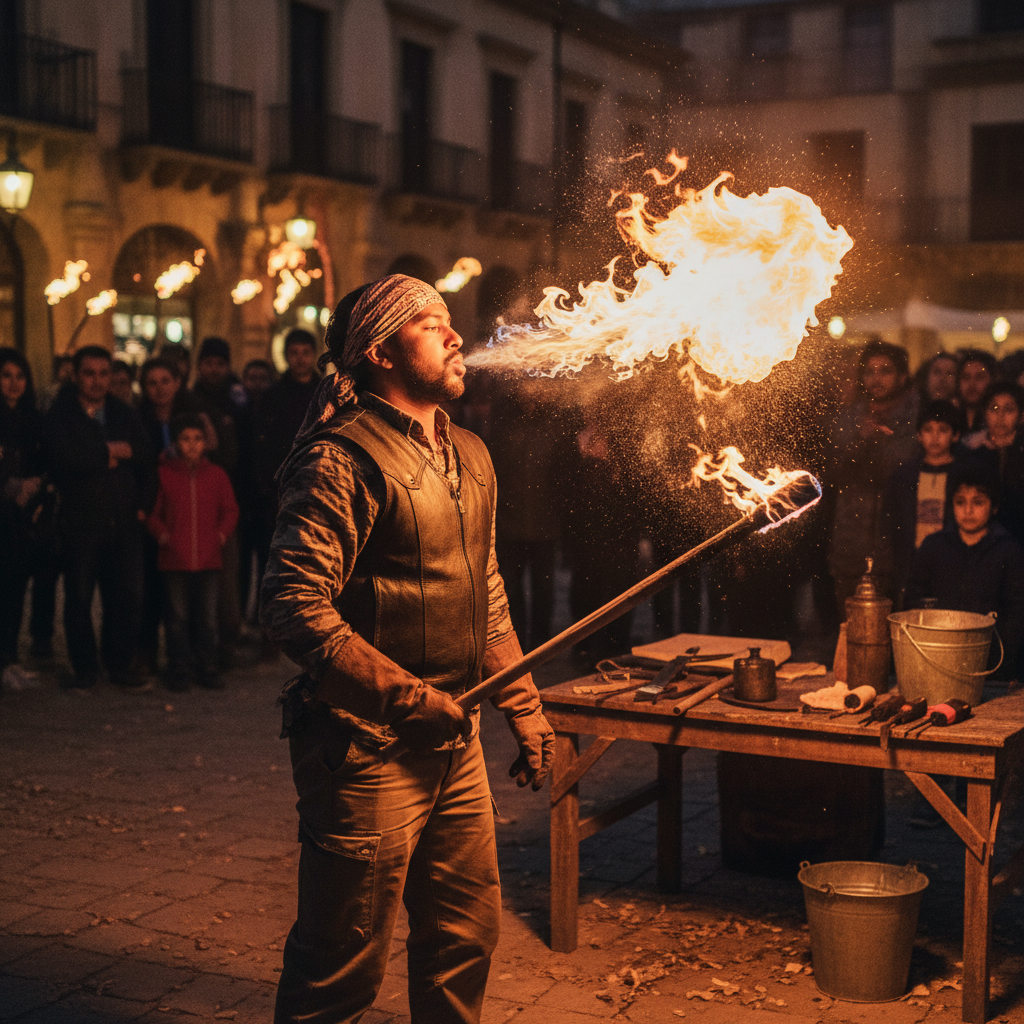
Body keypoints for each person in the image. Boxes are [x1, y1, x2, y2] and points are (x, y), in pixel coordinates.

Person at [261, 274, 554, 1024]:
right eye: (431, 323)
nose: (456, 336)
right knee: (341, 966)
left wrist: (524, 709)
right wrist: (407, 699)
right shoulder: (341, 460)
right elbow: (293, 605)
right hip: (365, 750)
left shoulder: (473, 454)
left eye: (450, 321)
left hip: (454, 748)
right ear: (380, 351)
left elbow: (483, 591)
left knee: (465, 937)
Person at [44, 345, 154, 690]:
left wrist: (142, 509)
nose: (97, 381)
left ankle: (119, 665)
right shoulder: (61, 414)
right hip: (80, 524)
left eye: (103, 373)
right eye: (89, 373)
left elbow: (145, 455)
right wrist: (107, 451)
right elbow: (61, 459)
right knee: (78, 598)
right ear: (76, 375)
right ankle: (85, 669)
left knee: (126, 597)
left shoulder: (123, 412)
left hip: (124, 522)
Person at [905, 463, 1024, 682]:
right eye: (961, 502)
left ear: (994, 507)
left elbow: (1017, 612)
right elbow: (914, 600)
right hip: (937, 658)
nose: (968, 511)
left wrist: (1002, 659)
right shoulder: (934, 546)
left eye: (978, 502)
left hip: (991, 665)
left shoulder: (1008, 550)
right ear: (952, 505)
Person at [148, 414, 239, 691]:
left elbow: (230, 510)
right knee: (177, 618)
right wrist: (165, 537)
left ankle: (207, 667)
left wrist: (220, 536)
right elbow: (153, 514)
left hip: (208, 559)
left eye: (197, 439)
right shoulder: (164, 474)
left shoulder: (217, 475)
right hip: (175, 559)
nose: (192, 445)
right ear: (175, 443)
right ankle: (179, 669)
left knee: (207, 617)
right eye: (186, 439)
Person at [828, 338, 917, 612]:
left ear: (902, 377)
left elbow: (904, 469)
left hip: (895, 544)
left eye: (885, 371)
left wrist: (883, 438)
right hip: (850, 544)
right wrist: (860, 439)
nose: (876, 379)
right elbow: (831, 471)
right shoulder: (848, 418)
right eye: (870, 371)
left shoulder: (916, 420)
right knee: (850, 628)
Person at [883, 399, 963, 607]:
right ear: (919, 435)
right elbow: (891, 522)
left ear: (956, 435)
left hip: (953, 559)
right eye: (928, 430)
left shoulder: (964, 475)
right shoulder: (904, 476)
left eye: (943, 430)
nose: (934, 437)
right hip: (913, 560)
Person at [0, 348, 45, 689]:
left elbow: (43, 461)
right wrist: (12, 485)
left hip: (20, 519)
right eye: (6, 375)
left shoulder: (32, 418)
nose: (14, 383)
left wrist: (36, 485)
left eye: (20, 376)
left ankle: (10, 660)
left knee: (15, 588)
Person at [963, 380, 1024, 545]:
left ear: (1021, 416)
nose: (1000, 417)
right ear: (985, 412)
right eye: (994, 409)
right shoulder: (971, 452)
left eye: (1009, 410)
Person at [957, 349, 996, 441]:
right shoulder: (952, 420)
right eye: (966, 377)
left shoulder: (997, 422)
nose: (972, 384)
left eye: (980, 377)